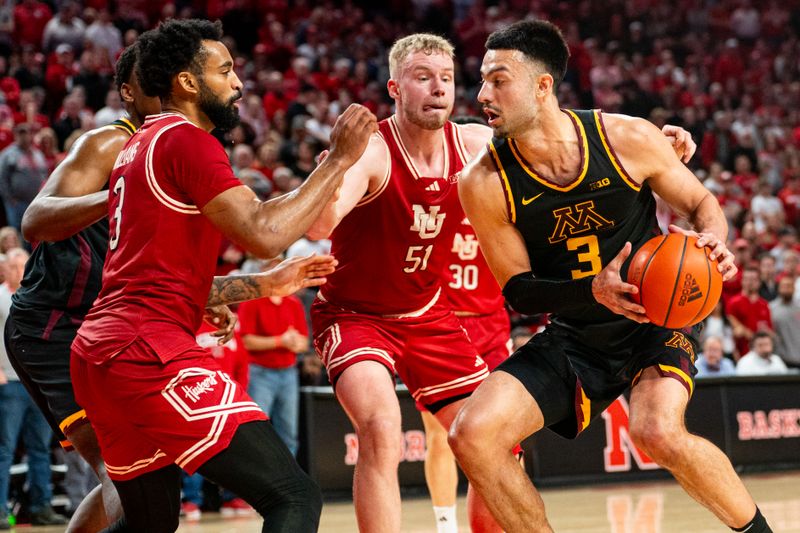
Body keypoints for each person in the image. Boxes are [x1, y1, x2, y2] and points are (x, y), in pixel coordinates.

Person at [306, 32, 695, 533]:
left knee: (492, 444)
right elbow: (320, 227)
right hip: (357, 315)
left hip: (427, 314)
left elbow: (556, 134)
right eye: (423, 78)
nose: (439, 88)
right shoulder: (373, 153)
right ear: (395, 88)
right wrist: (332, 170)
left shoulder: (472, 143)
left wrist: (654, 143)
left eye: (446, 78)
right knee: (382, 428)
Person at [449, 20, 771, 533]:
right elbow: (518, 290)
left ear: (542, 85)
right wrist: (592, 290)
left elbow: (701, 203)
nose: (483, 94)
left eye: (498, 79)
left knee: (656, 431)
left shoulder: (626, 137)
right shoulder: (483, 181)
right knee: (472, 435)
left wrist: (714, 239)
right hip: (577, 334)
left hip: (654, 320)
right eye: (482, 80)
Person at [6, 43, 339, 532]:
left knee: (151, 509)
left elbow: (158, 272)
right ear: (132, 92)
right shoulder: (118, 143)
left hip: (110, 329)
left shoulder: (169, 152)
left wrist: (244, 290)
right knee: (282, 494)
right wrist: (126, 188)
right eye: (153, 79)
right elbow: (35, 219)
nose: (163, 88)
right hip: (56, 322)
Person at [0, 248, 68, 529]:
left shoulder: (36, 297)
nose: (19, 271)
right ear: (5, 270)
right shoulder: (0, 297)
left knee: (40, 448)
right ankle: (1, 510)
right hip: (9, 383)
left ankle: (41, 506)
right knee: (5, 448)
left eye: (23, 266)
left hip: (34, 383)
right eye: (14, 266)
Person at [239, 275, 310, 456]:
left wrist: (295, 343)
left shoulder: (293, 303)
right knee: (258, 432)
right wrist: (281, 341)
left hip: (288, 373)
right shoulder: (252, 303)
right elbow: (247, 342)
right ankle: (257, 481)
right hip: (260, 373)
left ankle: (289, 481)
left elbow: (303, 342)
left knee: (289, 434)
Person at [0, 123, 48, 231]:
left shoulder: (37, 154)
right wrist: (10, 199)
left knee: (36, 232)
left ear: (30, 135)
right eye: (20, 133)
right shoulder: (8, 154)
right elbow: (2, 178)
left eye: (26, 133)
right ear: (15, 135)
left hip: (36, 202)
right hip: (17, 203)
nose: (23, 137)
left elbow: (44, 174)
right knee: (19, 231)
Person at [768, 275, 800, 369]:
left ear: (794, 288)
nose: (786, 289)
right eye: (783, 286)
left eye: (789, 286)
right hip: (782, 358)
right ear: (778, 288)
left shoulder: (798, 307)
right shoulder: (771, 308)